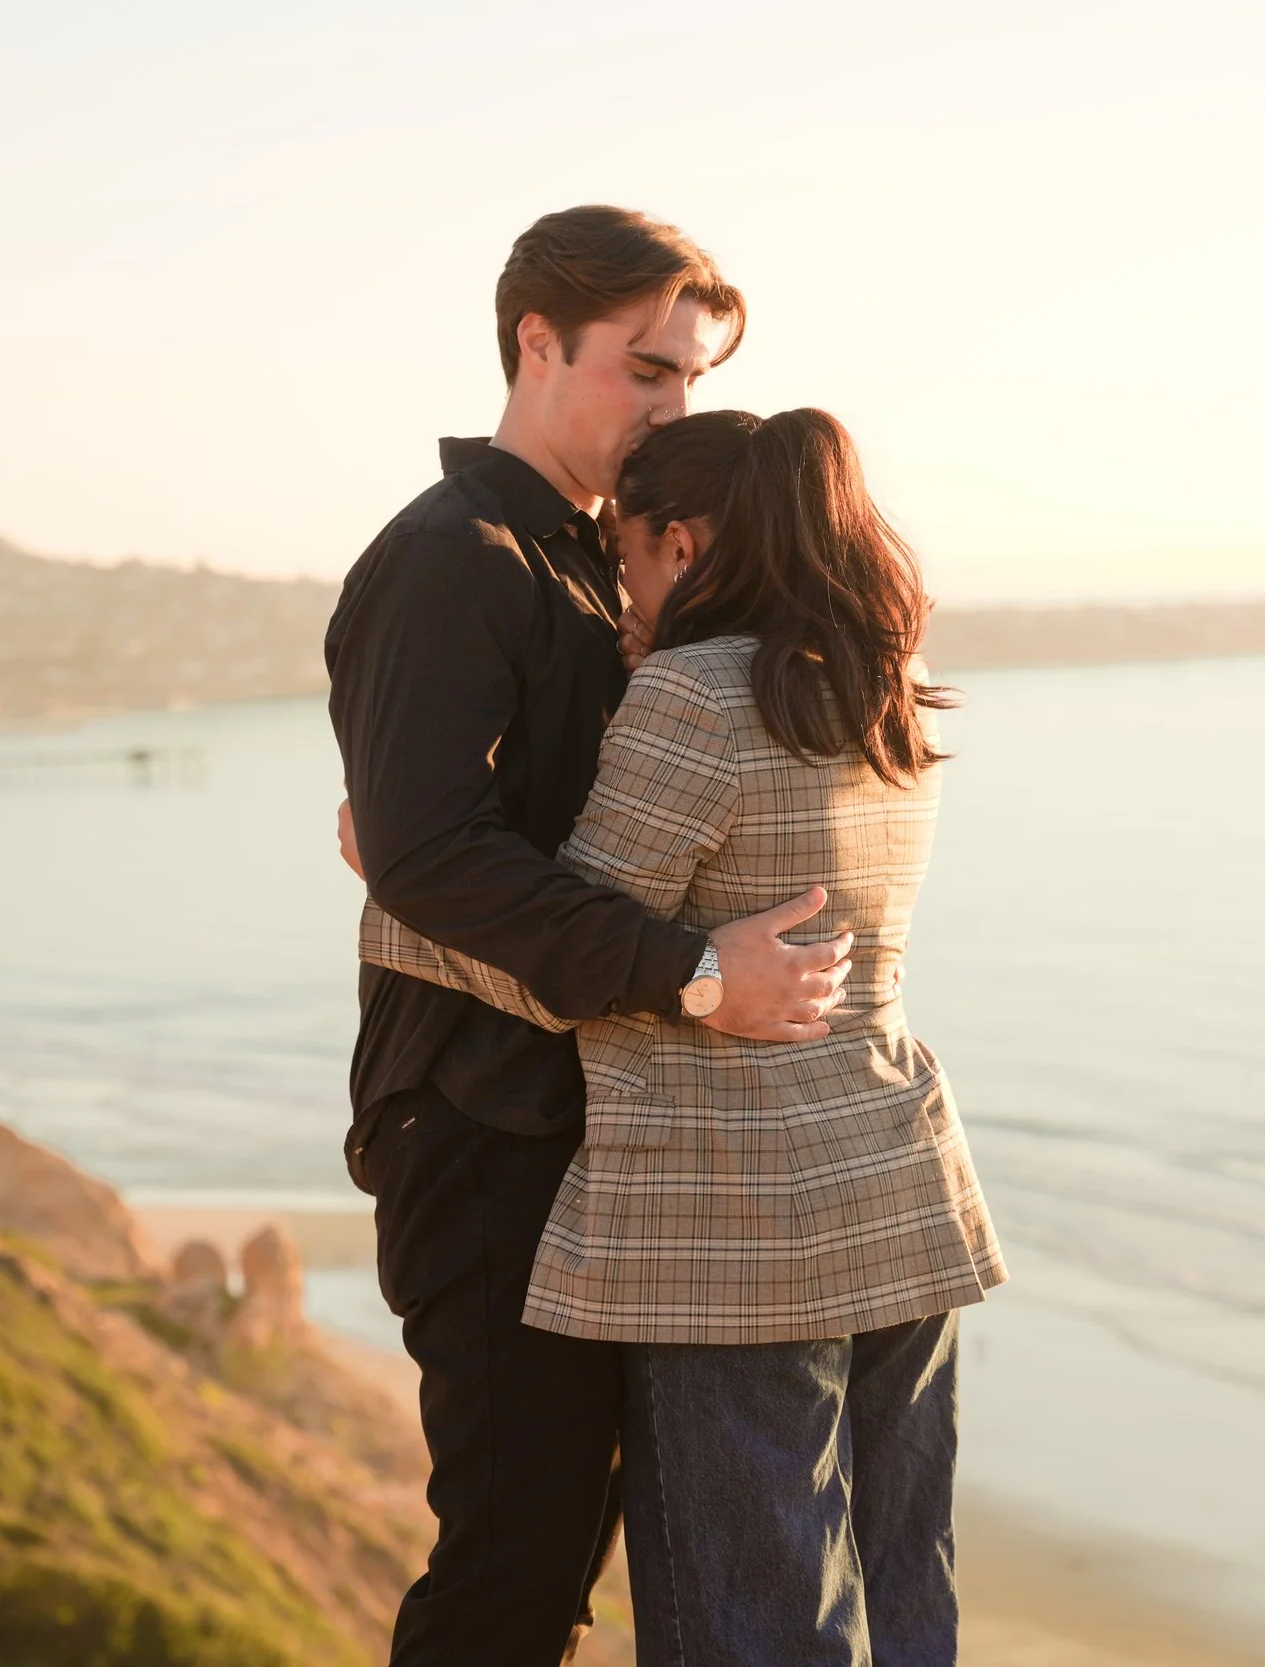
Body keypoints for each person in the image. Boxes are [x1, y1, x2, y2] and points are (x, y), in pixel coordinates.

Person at [356, 407, 1005, 1666]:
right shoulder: (885, 693)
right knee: (903, 1593)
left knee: (755, 1628)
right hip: (901, 1188)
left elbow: (571, 954)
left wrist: (390, 880)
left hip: (735, 1229)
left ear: (683, 539)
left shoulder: (695, 696)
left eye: (629, 560)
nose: (621, 597)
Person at [323, 207, 855, 1667]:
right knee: (514, 1560)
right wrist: (694, 971)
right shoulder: (458, 557)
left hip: (572, 1123)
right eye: (645, 370)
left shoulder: (579, 564)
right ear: (534, 343)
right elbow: (431, 851)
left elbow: (476, 839)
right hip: (479, 1127)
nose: (673, 407)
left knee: (569, 1562)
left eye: (687, 377)